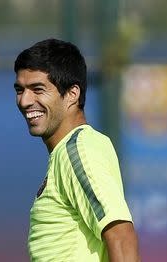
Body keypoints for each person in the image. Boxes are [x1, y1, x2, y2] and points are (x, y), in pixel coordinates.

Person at [13, 39, 140, 261]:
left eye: (37, 89)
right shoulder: (69, 151)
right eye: (20, 90)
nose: (24, 101)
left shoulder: (78, 150)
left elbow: (121, 237)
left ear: (72, 94)